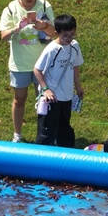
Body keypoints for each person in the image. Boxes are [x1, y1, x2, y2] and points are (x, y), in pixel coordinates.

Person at [0, 0, 56, 142]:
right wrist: (17, 28)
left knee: (45, 101)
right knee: (19, 99)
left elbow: (53, 33)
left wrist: (43, 25)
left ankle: (45, 135)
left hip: (42, 65)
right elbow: (4, 36)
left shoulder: (44, 5)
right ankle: (17, 134)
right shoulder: (10, 9)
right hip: (20, 64)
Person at [33, 14, 83, 148]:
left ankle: (66, 156)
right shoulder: (51, 50)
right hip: (52, 98)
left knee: (64, 129)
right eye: (65, 36)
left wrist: (78, 86)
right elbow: (37, 70)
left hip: (67, 96)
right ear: (56, 33)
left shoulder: (74, 46)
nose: (69, 38)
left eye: (72, 35)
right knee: (47, 132)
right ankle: (40, 156)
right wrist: (45, 89)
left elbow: (75, 66)